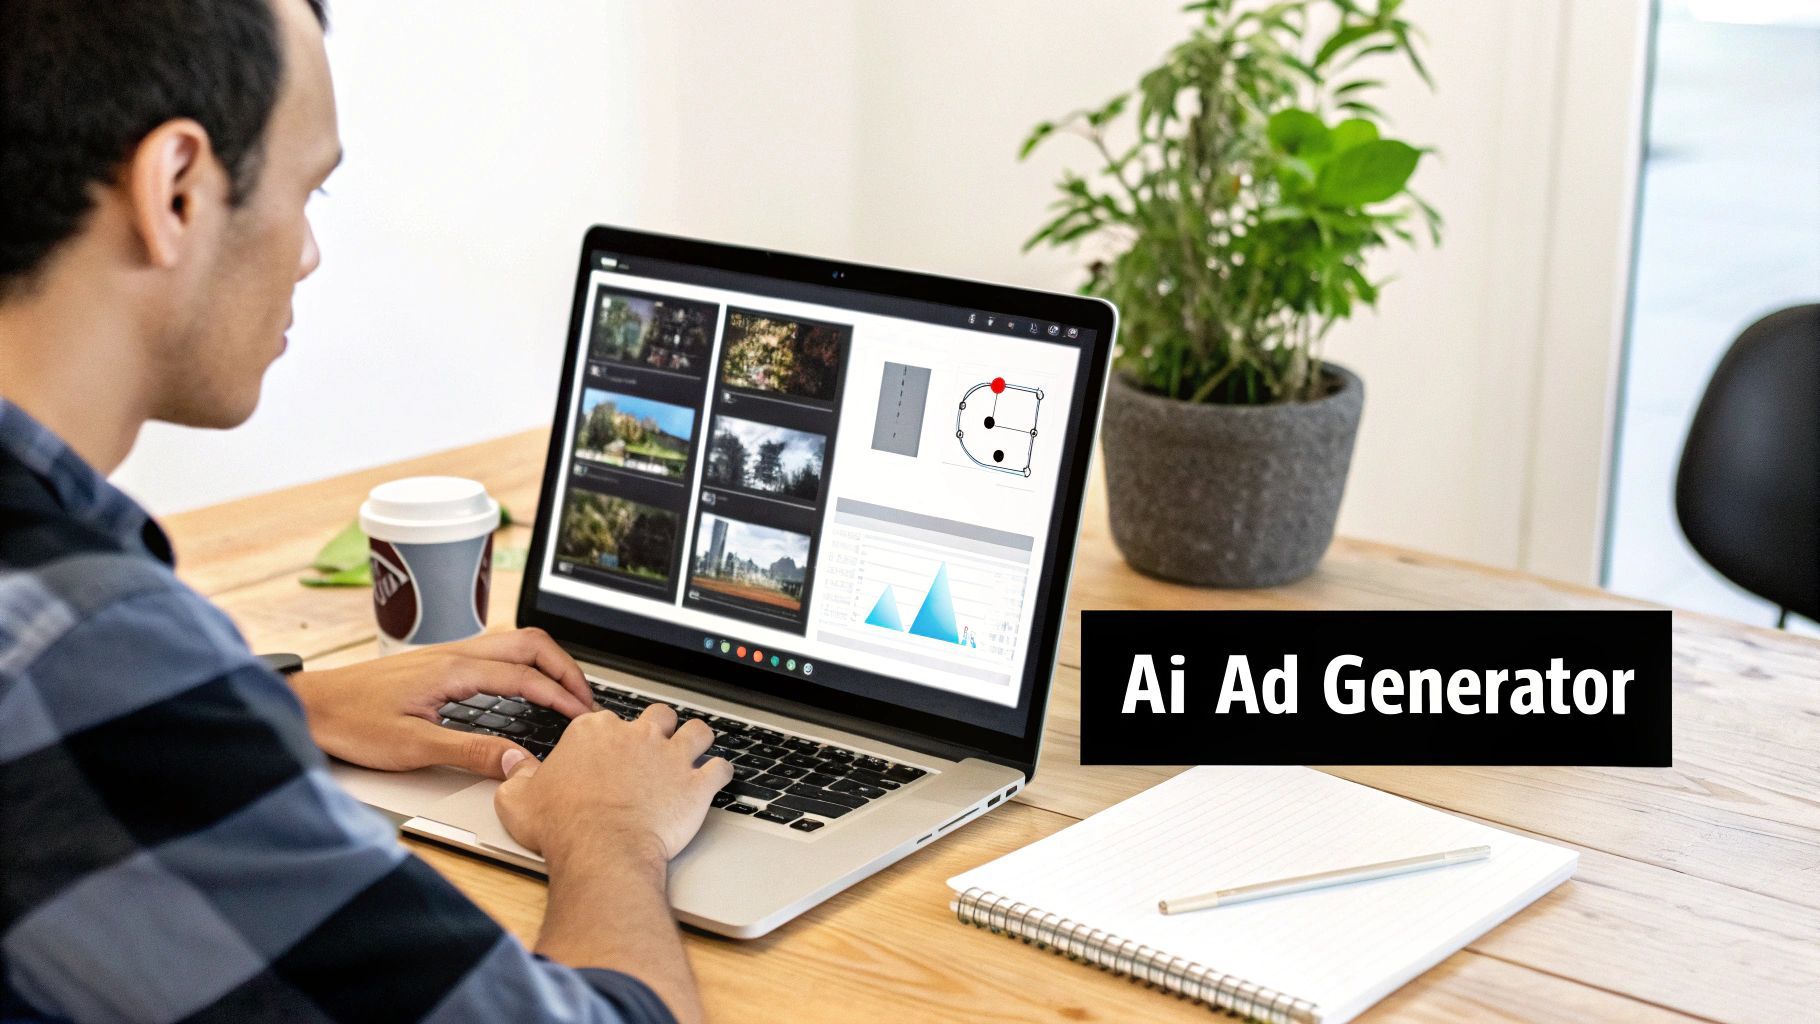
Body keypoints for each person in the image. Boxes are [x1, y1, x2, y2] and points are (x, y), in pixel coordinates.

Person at [0, 1, 733, 1021]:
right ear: (173, 188)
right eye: (309, 188)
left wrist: (269, 707)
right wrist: (610, 831)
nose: (307, 253)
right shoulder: (78, 645)